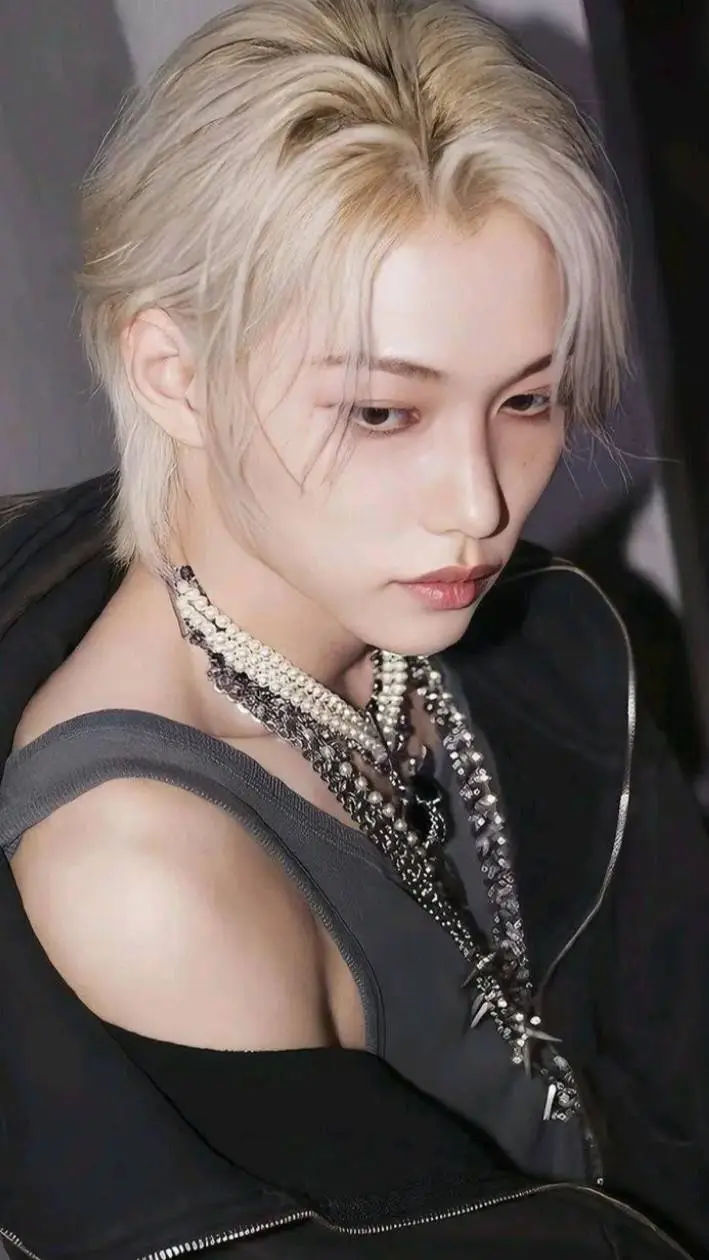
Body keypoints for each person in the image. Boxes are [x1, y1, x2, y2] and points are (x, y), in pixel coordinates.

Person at [0, 1, 707, 1257]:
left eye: (527, 400)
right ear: (172, 374)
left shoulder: (523, 641)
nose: (480, 504)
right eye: (383, 412)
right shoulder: (147, 867)